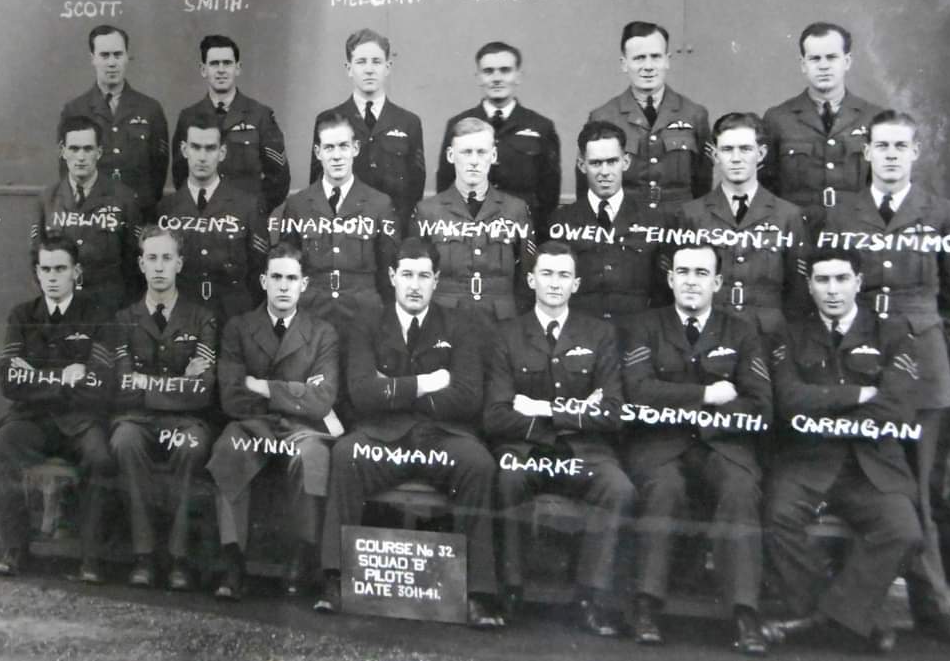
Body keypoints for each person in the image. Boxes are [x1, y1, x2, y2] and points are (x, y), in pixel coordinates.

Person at [819, 110, 950, 646]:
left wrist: (919, 341)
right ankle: (868, 613)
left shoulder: (942, 214)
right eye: (881, 146)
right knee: (871, 486)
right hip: (860, 361)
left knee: (923, 491)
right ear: (867, 153)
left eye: (900, 146)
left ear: (915, 152)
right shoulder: (842, 213)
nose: (890, 155)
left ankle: (934, 610)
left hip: (923, 369)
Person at [315, 238, 503, 628]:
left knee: (479, 464)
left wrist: (393, 389)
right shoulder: (368, 323)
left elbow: (467, 397)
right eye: (407, 275)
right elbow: (363, 393)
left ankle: (478, 595)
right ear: (392, 277)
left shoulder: (460, 324)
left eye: (423, 276)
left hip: (441, 437)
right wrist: (428, 382)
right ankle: (335, 580)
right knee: (346, 454)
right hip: (383, 437)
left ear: (436, 280)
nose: (414, 285)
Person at [762, 246, 923, 654]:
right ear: (809, 286)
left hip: (871, 464)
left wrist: (826, 408)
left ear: (858, 282)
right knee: (777, 518)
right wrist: (857, 394)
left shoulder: (892, 332)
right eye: (822, 280)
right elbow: (788, 400)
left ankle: (825, 619)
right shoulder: (788, 333)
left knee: (903, 529)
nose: (832, 290)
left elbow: (897, 404)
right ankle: (840, 616)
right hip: (808, 460)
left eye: (841, 279)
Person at [621, 243, 771, 655]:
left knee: (740, 490)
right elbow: (638, 390)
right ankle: (647, 605)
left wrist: (699, 417)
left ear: (718, 282)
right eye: (683, 272)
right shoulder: (645, 327)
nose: (691, 281)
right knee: (663, 488)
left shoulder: (741, 331)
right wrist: (706, 394)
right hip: (659, 444)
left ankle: (745, 613)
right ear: (670, 279)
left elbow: (760, 402)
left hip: (723, 444)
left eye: (701, 273)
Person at [485, 242, 634, 637]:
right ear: (530, 280)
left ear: (576, 284)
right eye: (547, 274)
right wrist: (577, 412)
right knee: (507, 478)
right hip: (527, 449)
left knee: (618, 488)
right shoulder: (506, 334)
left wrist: (543, 409)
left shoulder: (600, 334)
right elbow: (496, 414)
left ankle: (590, 598)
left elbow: (613, 413)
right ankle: (510, 590)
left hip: (585, 452)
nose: (555, 283)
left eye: (564, 275)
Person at [205, 243, 340, 600]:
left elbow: (323, 399)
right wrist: (296, 393)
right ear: (263, 281)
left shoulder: (322, 332)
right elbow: (232, 397)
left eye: (291, 279)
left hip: (301, 430)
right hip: (253, 425)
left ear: (304, 284)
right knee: (228, 448)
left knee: (313, 457)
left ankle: (300, 558)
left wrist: (263, 386)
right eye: (276, 277)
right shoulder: (239, 328)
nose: (283, 286)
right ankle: (233, 562)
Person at [0, 236, 115, 583]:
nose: (53, 277)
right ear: (37, 274)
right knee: (0, 447)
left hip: (81, 421)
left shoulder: (98, 316)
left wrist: (38, 377)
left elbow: (100, 383)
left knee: (100, 457)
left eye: (60, 268)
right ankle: (15, 549)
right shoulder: (22, 315)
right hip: (33, 420)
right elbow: (10, 381)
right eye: (46, 269)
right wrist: (64, 377)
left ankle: (91, 558)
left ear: (76, 271)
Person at [109, 226, 218, 591]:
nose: (159, 267)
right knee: (124, 442)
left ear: (180, 264)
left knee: (192, 447)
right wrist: (177, 383)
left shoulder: (202, 318)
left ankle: (179, 558)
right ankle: (143, 555)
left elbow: (201, 391)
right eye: (152, 258)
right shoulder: (124, 320)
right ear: (141, 264)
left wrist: (146, 382)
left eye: (167, 258)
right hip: (136, 420)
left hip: (186, 422)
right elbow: (123, 387)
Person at [677, 113, 810, 346]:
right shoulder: (692, 215)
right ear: (715, 155)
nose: (736, 158)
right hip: (709, 335)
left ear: (761, 154)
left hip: (768, 338)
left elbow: (798, 292)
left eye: (745, 149)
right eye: (727, 149)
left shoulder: (788, 215)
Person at [270, 111, 399, 337]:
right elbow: (287, 267)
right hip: (312, 314)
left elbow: (389, 271)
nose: (337, 156)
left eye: (343, 146)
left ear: (355, 149)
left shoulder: (379, 204)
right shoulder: (298, 205)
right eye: (329, 148)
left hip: (364, 317)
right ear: (318, 152)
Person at [411, 117, 535, 324]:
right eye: (466, 152)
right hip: (445, 320)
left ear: (493, 156)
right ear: (451, 155)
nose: (474, 161)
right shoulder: (428, 211)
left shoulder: (516, 210)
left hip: (501, 321)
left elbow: (527, 277)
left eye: (481, 152)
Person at [760, 22, 883, 228]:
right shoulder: (778, 118)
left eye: (831, 57)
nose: (823, 66)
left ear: (847, 61)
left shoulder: (873, 117)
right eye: (815, 59)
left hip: (856, 232)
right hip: (798, 231)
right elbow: (765, 189)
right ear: (803, 65)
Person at [547, 120, 670, 324]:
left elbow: (663, 293)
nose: (604, 172)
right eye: (596, 163)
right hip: (581, 332)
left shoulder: (654, 221)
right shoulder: (561, 221)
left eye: (612, 161)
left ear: (626, 162)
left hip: (637, 332)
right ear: (582, 165)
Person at [583, 21, 711, 215]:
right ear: (624, 64)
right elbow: (589, 187)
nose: (648, 66)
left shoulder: (694, 114)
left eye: (656, 57)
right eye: (639, 58)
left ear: (667, 60)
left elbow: (703, 184)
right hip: (624, 222)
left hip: (679, 223)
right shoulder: (603, 117)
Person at [436, 41, 561, 241]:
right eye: (488, 71)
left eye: (505, 70)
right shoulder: (458, 125)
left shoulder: (541, 127)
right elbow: (445, 185)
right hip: (470, 233)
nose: (496, 78)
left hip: (521, 233)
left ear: (518, 76)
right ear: (478, 77)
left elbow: (549, 193)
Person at [156, 112, 268, 325]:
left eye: (210, 148)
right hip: (182, 316)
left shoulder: (247, 206)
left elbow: (259, 271)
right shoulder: (166, 208)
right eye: (195, 147)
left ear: (222, 152)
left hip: (234, 317)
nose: (202, 157)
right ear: (184, 150)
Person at [310, 28, 425, 233]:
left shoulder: (409, 122)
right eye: (361, 62)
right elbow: (318, 184)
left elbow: (415, 187)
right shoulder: (328, 120)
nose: (369, 69)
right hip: (345, 232)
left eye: (376, 62)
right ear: (349, 68)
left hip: (393, 230)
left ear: (388, 67)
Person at [33, 115, 143, 313]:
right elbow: (36, 257)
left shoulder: (123, 198)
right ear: (63, 151)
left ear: (99, 152)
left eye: (88, 149)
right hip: (63, 306)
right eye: (74, 149)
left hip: (109, 306)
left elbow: (133, 261)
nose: (81, 157)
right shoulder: (48, 199)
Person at [172, 35, 290, 214]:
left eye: (227, 63)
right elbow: (180, 174)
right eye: (214, 64)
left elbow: (279, 179)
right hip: (203, 217)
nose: (221, 70)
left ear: (238, 68)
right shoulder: (188, 117)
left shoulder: (260, 115)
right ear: (203, 70)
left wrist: (255, 210)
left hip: (247, 220)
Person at [60, 24, 169, 220]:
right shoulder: (75, 110)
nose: (112, 63)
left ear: (127, 57)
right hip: (92, 216)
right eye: (104, 55)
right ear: (92, 58)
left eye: (118, 55)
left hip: (139, 214)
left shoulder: (150, 109)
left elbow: (159, 170)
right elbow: (66, 170)